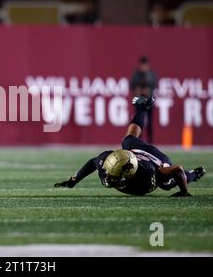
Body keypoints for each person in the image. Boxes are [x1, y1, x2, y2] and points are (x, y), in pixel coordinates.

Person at [54, 95, 206, 197]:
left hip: (157, 160)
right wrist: (74, 180)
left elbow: (177, 169)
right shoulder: (106, 161)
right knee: (128, 140)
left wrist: (184, 192)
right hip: (135, 152)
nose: (108, 178)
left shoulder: (149, 174)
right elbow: (93, 162)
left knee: (167, 184)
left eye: (113, 177)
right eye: (108, 173)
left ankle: (195, 173)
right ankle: (142, 107)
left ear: (128, 175)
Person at [130, 56, 157, 143]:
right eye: (142, 66)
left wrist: (149, 91)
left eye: (145, 66)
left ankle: (150, 141)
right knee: (138, 121)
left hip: (148, 101)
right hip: (139, 101)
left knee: (149, 122)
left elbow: (154, 85)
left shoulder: (151, 74)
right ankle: (139, 140)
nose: (143, 68)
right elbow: (132, 85)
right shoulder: (136, 75)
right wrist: (137, 91)